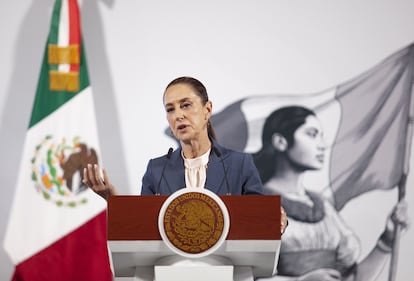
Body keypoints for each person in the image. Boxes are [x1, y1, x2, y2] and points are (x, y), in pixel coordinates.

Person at [82, 76, 288, 233]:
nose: (178, 114)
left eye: (186, 105)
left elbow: (259, 223)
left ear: (207, 110)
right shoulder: (157, 169)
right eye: (170, 109)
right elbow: (142, 228)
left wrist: (278, 221)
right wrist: (112, 198)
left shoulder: (239, 164)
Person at [253, 106, 409, 281]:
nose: (322, 145)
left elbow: (353, 279)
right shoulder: (254, 204)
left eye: (321, 136)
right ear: (280, 142)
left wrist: (387, 240)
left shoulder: (324, 208)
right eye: (312, 134)